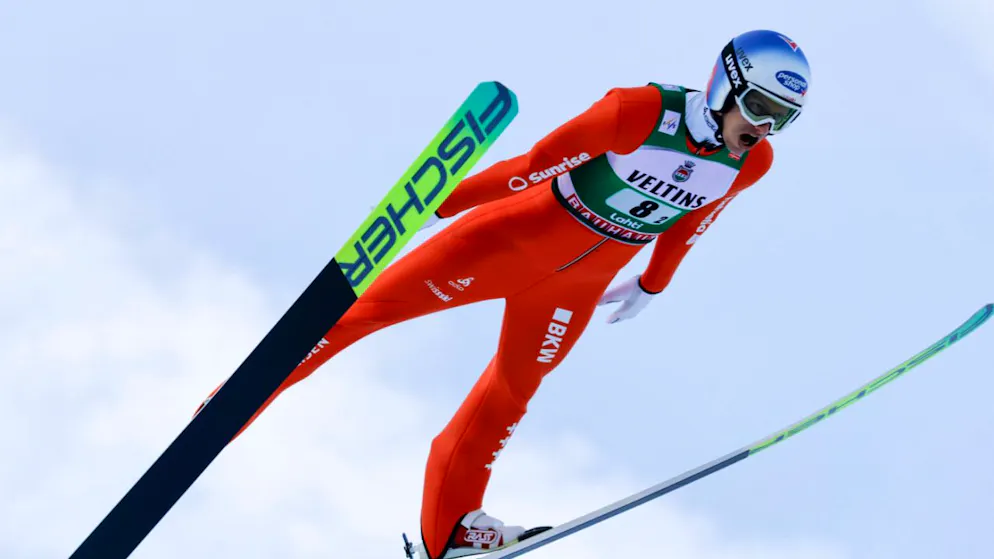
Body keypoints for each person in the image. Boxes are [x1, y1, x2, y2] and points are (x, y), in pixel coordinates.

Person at [198, 28, 811, 559]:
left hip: (575, 288)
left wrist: (654, 282)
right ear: (726, 85)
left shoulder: (752, 164)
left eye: (780, 118)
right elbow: (532, 165)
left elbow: (693, 222)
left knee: (511, 394)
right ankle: (230, 407)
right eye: (758, 106)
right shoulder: (639, 112)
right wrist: (438, 202)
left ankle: (451, 529)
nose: (762, 128)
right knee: (363, 313)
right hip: (507, 243)